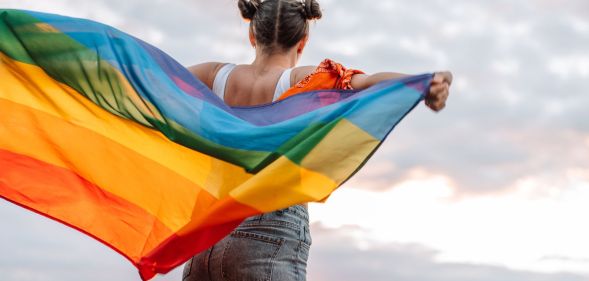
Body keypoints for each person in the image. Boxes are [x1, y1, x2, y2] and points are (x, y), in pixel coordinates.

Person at [182, 0, 453, 280]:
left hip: (205, 239)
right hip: (268, 234)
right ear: (302, 41)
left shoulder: (215, 76)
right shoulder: (302, 80)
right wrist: (425, 83)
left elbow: (153, 77)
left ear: (252, 35)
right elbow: (367, 82)